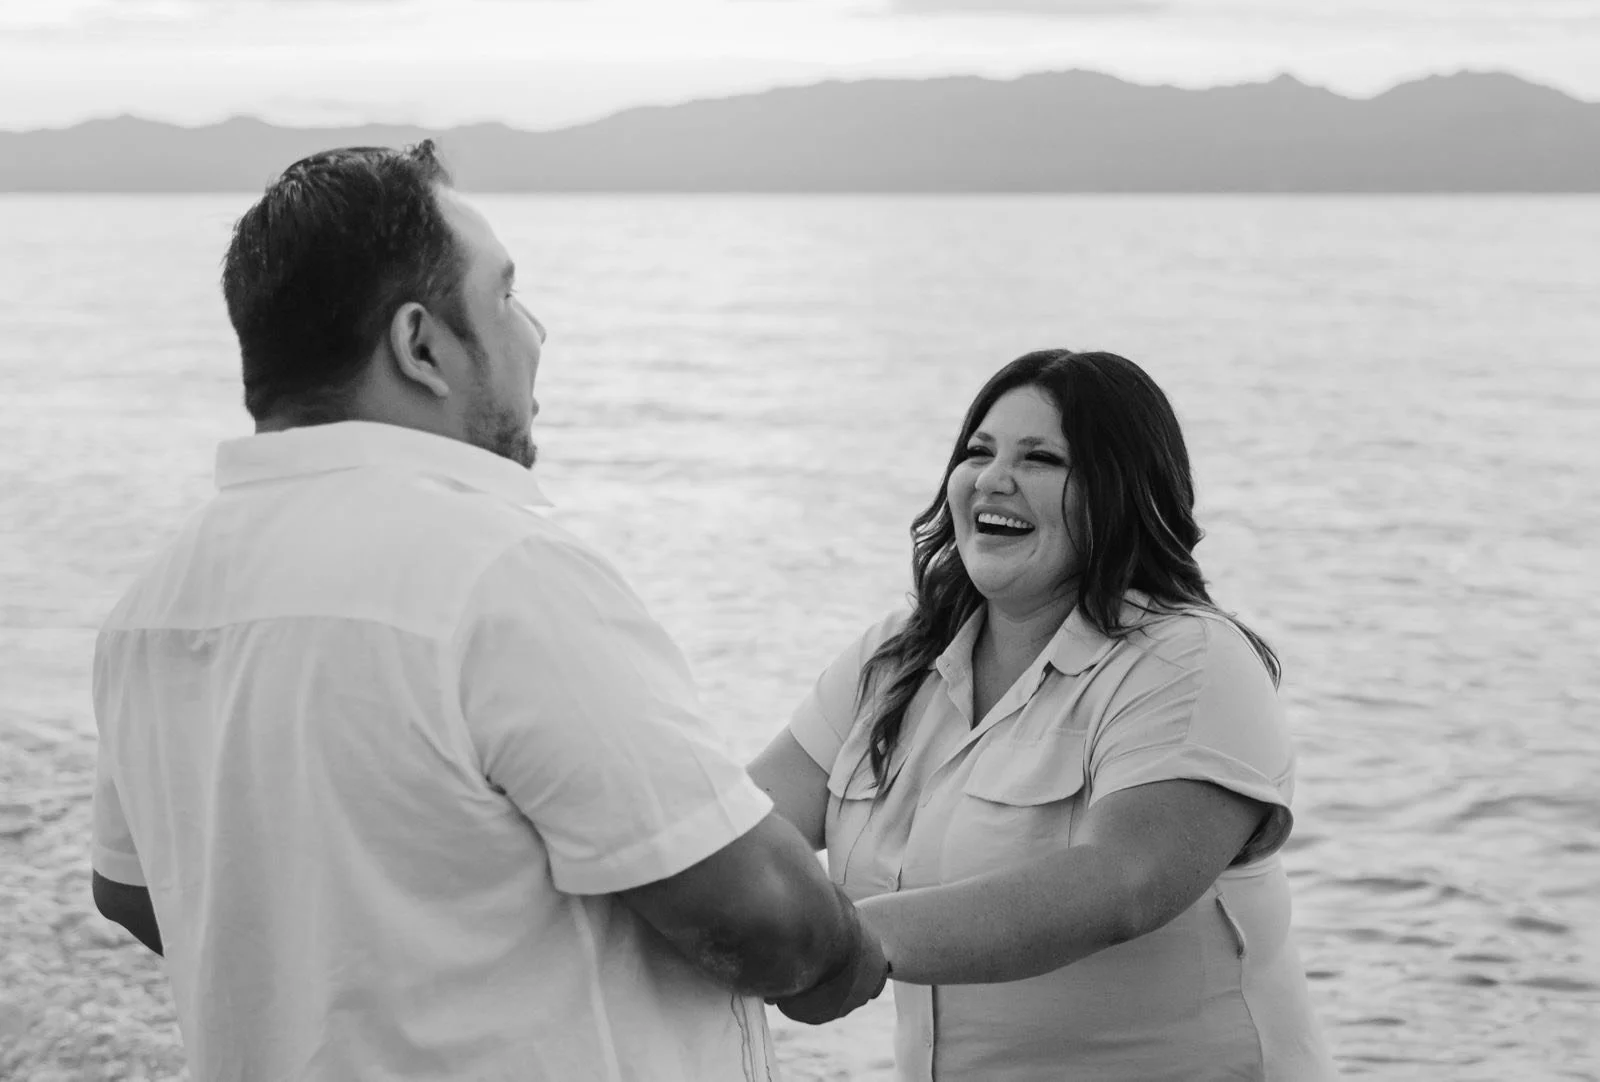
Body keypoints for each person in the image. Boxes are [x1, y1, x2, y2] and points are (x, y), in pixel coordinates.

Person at [90, 142, 885, 1082]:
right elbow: (766, 922)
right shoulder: (499, 573)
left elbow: (138, 893)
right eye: (506, 296)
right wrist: (851, 956)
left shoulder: (150, 605)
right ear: (420, 346)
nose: (536, 332)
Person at [750, 349, 1336, 1081]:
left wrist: (851, 944)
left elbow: (1121, 883)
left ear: (1120, 493)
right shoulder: (894, 657)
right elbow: (741, 827)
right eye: (978, 452)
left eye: (1041, 458)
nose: (993, 479)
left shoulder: (1193, 660)